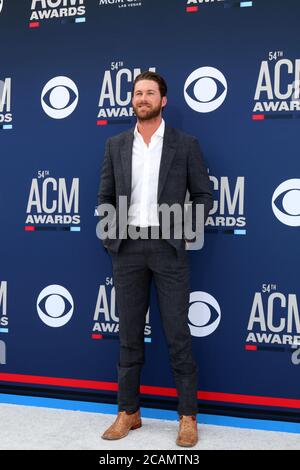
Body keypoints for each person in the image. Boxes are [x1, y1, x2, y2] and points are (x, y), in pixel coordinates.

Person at [97, 71, 212, 447]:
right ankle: (128, 412)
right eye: (137, 93)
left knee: (178, 335)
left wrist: (182, 233)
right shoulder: (115, 144)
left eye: (149, 93)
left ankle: (187, 416)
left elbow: (202, 196)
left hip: (168, 249)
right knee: (129, 335)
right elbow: (105, 197)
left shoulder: (185, 144)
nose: (142, 98)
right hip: (127, 249)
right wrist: (110, 237)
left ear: (164, 100)